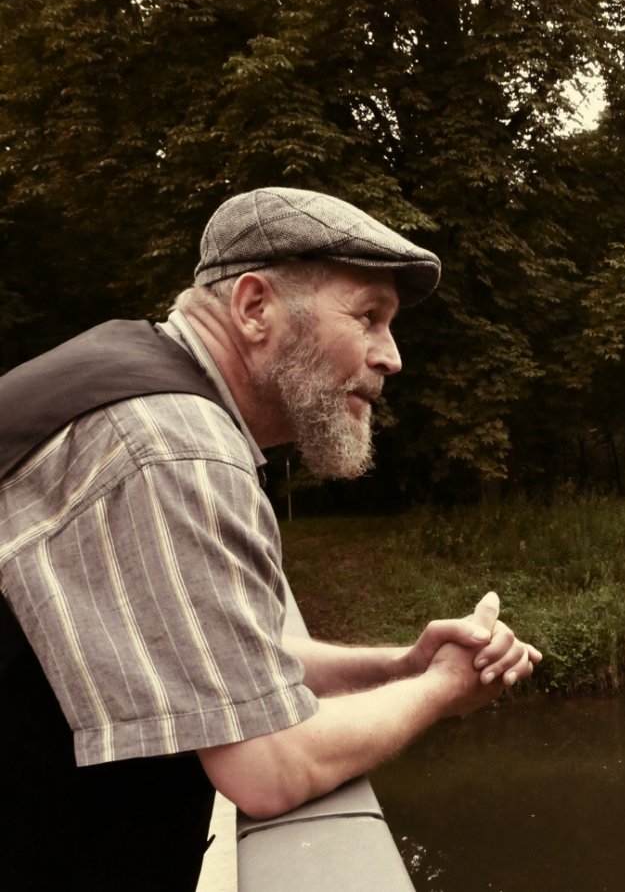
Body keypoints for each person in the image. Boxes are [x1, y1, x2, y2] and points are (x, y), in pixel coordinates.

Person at [0, 187, 541, 890]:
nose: (392, 357)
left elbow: (222, 654)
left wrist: (402, 665)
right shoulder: (177, 449)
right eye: (369, 316)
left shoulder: (142, 391)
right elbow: (268, 767)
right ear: (255, 307)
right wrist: (441, 688)